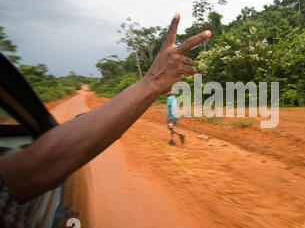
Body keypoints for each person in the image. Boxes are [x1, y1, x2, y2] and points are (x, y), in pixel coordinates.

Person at [0, 14, 211, 204]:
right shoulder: (171, 99)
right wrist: (153, 83)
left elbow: (44, 165)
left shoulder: (171, 100)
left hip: (170, 113)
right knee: (171, 128)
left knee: (172, 128)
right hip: (169, 110)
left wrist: (154, 82)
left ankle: (176, 136)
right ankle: (176, 136)